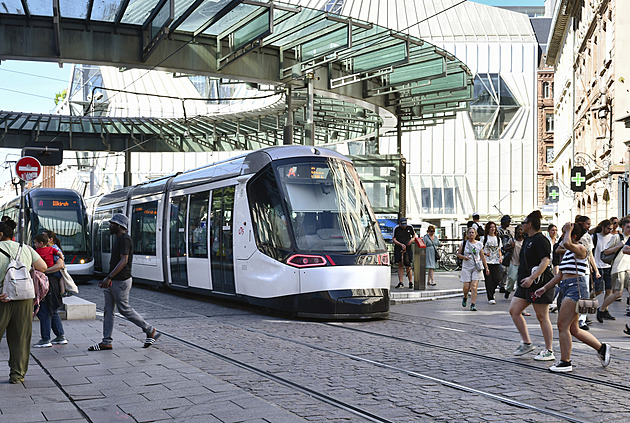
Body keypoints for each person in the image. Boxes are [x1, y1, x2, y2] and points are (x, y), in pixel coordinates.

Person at [535, 221, 611, 372]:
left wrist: (568, 231)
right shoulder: (568, 252)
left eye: (565, 232)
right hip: (567, 288)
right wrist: (544, 288)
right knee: (574, 329)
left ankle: (565, 362)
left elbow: (567, 243)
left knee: (562, 326)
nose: (562, 235)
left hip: (576, 290)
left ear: (573, 235)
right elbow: (560, 275)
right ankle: (601, 348)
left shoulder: (581, 249)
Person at [89, 213, 160, 351]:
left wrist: (109, 277)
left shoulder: (125, 240)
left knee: (124, 309)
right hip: (113, 281)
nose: (110, 226)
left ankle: (150, 330)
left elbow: (124, 260)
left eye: (112, 224)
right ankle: (106, 341)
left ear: (119, 226)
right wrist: (108, 278)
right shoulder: (118, 239)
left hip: (120, 281)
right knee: (108, 310)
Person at [0, 219, 47, 383]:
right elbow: (43, 267)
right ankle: (17, 375)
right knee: (20, 337)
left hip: (3, 297)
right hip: (25, 297)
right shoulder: (25, 248)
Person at [508, 210, 555, 361]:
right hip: (525, 282)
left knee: (542, 316)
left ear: (529, 224)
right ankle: (527, 342)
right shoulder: (528, 239)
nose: (521, 225)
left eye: (523, 223)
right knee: (514, 310)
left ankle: (549, 350)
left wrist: (531, 278)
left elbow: (545, 261)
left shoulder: (541, 240)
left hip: (538, 282)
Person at [32, 233, 67, 348]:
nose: (34, 244)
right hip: (53, 281)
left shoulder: (38, 251)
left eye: (36, 242)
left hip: (46, 281)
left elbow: (60, 265)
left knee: (44, 311)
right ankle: (60, 335)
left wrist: (45, 271)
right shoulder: (53, 249)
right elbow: (60, 257)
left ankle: (45, 338)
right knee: (52, 309)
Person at [597, 217, 630, 322]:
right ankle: (601, 309)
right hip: (618, 268)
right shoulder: (617, 237)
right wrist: (620, 246)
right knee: (618, 293)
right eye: (628, 227)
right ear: (623, 227)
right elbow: (606, 252)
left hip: (628, 268)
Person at [457, 227, 489, 311]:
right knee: (466, 287)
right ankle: (465, 296)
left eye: (473, 232)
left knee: (474, 286)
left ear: (476, 234)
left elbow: (482, 256)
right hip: (466, 267)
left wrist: (486, 267)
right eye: (470, 232)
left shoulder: (479, 244)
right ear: (467, 234)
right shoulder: (464, 243)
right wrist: (464, 257)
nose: (471, 234)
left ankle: (473, 304)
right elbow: (458, 254)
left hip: (476, 267)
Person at [592, 219, 614, 310]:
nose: (610, 231)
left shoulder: (612, 237)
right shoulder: (595, 237)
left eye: (611, 229)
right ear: (603, 227)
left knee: (609, 290)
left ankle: (604, 310)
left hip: (609, 266)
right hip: (598, 266)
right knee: (598, 291)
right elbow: (590, 252)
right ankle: (585, 299)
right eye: (608, 228)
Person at [481, 221, 502, 304]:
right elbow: (481, 250)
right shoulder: (484, 238)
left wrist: (500, 257)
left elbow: (499, 249)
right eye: (491, 227)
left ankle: (492, 292)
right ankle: (490, 297)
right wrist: (485, 253)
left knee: (497, 278)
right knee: (488, 280)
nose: (493, 229)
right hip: (487, 261)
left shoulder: (498, 238)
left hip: (496, 261)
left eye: (494, 227)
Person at [393, 218, 416, 289]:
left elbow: (414, 236)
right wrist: (400, 244)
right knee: (400, 264)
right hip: (399, 248)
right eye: (402, 225)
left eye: (405, 224)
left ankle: (410, 282)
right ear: (399, 223)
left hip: (408, 248)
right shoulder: (396, 228)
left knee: (408, 264)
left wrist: (411, 240)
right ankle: (401, 281)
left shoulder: (410, 227)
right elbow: (394, 238)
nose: (404, 226)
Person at [505, 224, 524, 299]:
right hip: (513, 262)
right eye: (518, 230)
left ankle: (518, 294)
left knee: (520, 280)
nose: (519, 231)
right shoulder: (512, 240)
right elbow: (505, 248)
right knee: (512, 278)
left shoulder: (525, 240)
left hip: (522, 264)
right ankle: (508, 290)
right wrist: (511, 246)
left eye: (521, 230)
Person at [498, 215, 513, 293]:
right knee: (502, 269)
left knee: (506, 270)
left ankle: (502, 285)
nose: (509, 223)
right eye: (508, 221)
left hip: (507, 252)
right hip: (501, 251)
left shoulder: (508, 232)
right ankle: (500, 283)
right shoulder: (498, 231)